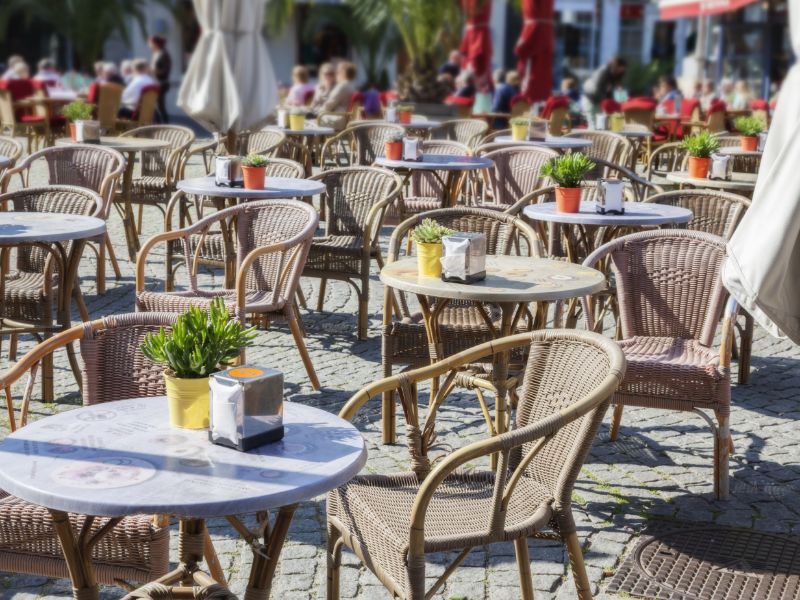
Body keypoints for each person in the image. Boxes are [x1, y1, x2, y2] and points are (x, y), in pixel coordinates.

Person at [581, 56, 627, 124]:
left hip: (598, 102)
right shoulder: (603, 71)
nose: (622, 72)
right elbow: (596, 89)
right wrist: (607, 101)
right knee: (593, 126)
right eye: (621, 69)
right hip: (591, 100)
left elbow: (616, 92)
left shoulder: (614, 76)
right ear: (617, 66)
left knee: (601, 126)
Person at [149, 35, 172, 123]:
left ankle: (165, 125)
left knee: (160, 106)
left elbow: (165, 70)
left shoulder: (164, 54)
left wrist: (153, 71)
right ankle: (161, 124)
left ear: (155, 43)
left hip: (161, 83)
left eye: (150, 42)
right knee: (158, 106)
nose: (149, 45)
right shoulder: (156, 53)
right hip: (157, 82)